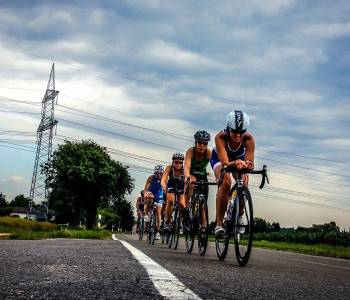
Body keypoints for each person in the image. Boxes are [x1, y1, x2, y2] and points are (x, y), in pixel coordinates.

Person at [210, 110, 255, 237]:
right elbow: (225, 163)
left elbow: (249, 162)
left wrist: (248, 165)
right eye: (234, 131)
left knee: (244, 181)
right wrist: (235, 162)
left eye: (241, 132)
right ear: (228, 129)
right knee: (226, 181)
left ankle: (239, 213)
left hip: (238, 159)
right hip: (219, 158)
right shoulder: (220, 137)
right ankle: (219, 224)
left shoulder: (249, 139)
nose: (238, 135)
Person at [184, 130, 211, 232]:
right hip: (191, 175)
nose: (202, 145)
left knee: (203, 205)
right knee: (191, 184)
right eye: (200, 143)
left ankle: (203, 227)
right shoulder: (191, 151)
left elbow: (216, 165)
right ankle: (186, 210)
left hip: (203, 177)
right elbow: (186, 167)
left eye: (204, 143)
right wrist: (188, 176)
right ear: (195, 143)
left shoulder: (208, 153)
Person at [161, 152, 185, 232]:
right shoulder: (169, 168)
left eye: (180, 162)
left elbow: (188, 180)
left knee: (182, 204)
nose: (178, 164)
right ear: (173, 162)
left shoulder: (185, 170)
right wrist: (164, 186)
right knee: (170, 201)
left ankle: (181, 222)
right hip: (171, 184)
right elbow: (163, 179)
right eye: (176, 162)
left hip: (181, 185)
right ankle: (167, 222)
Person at [144, 165, 164, 240]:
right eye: (157, 173)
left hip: (159, 193)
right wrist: (146, 194)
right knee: (150, 198)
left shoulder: (164, 179)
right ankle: (146, 214)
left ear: (162, 174)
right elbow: (146, 188)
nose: (159, 175)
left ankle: (157, 231)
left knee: (158, 211)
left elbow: (166, 188)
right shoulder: (151, 178)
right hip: (151, 191)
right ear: (155, 173)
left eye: (160, 173)